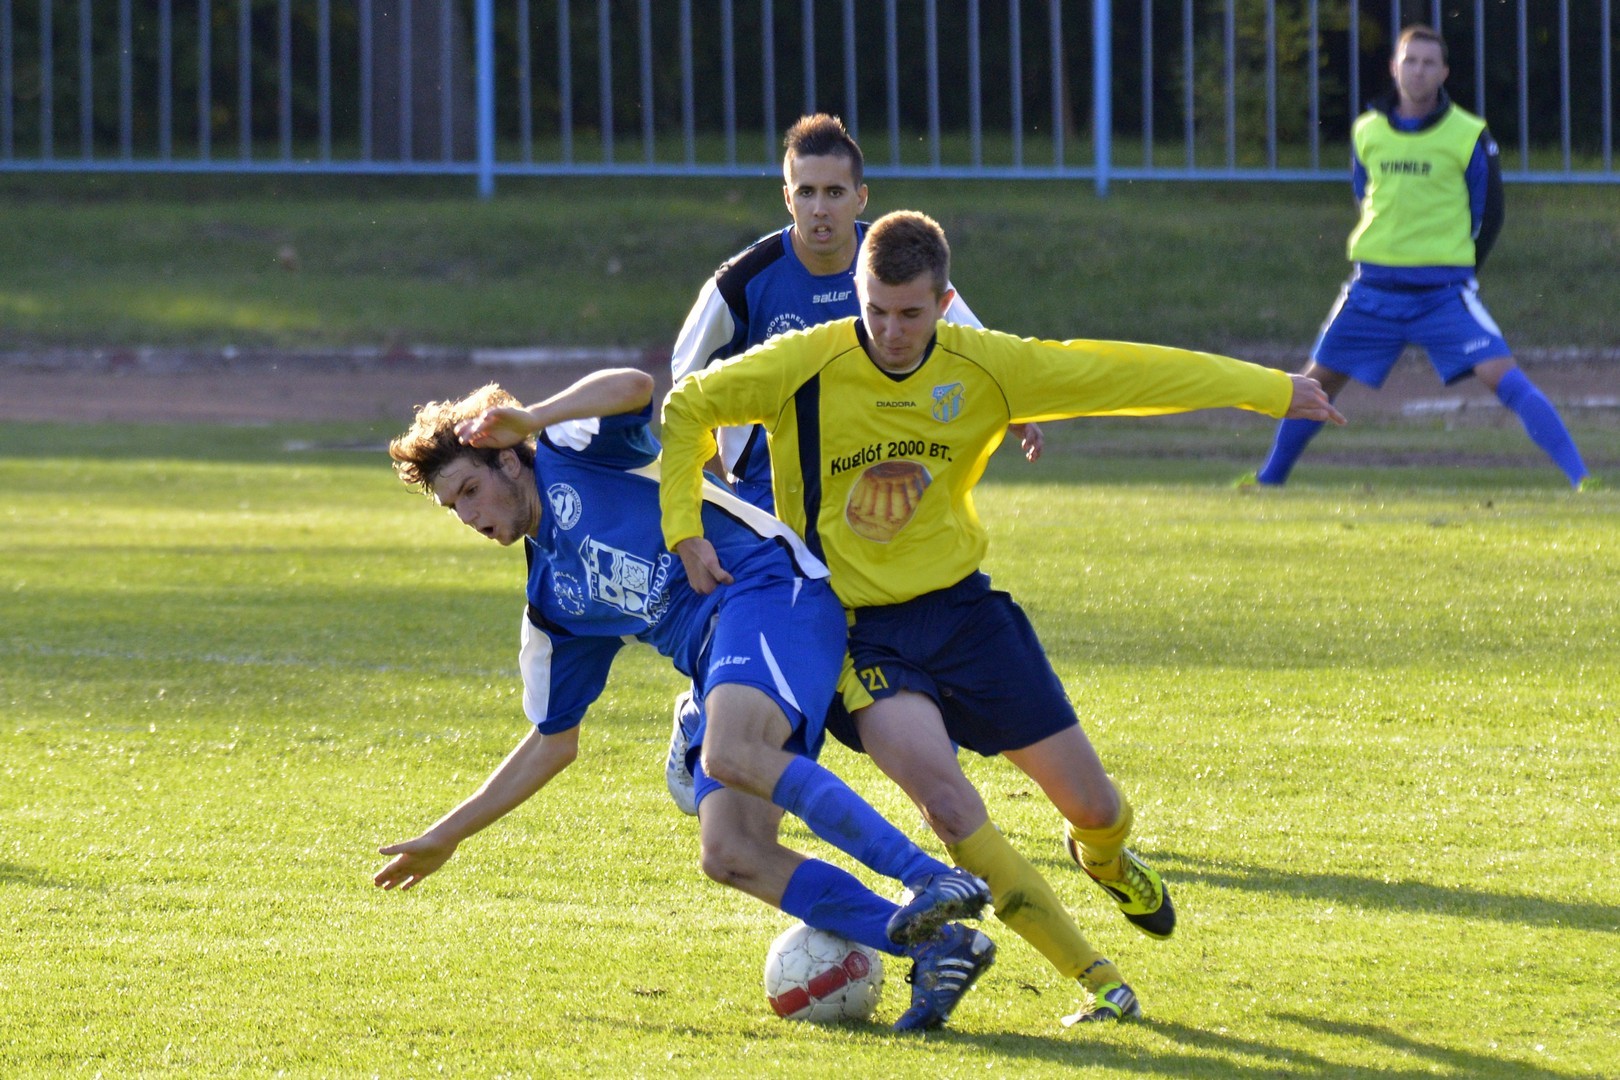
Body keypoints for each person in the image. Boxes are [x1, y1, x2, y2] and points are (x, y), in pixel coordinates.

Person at [659, 210, 1345, 1025]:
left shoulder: (987, 366)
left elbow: (1121, 374)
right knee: (949, 808)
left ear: (943, 302)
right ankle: (1098, 981)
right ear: (858, 294)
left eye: (910, 314)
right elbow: (686, 406)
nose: (890, 332)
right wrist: (685, 527)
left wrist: (1272, 391)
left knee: (1094, 807)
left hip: (963, 615)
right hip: (856, 632)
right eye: (875, 310)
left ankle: (1105, 857)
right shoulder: (806, 361)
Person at [373, 368, 996, 1033]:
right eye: (454, 507)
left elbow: (635, 386)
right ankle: (938, 945)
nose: (470, 516)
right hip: (722, 662)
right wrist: (448, 835)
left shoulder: (571, 451)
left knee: (729, 752)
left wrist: (533, 418)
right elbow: (552, 742)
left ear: (507, 461)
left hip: (768, 588)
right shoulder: (554, 601)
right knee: (730, 853)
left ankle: (929, 880)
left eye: (471, 490)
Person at [662, 111, 1041, 814]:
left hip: (874, 479)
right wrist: (707, 466)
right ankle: (705, 708)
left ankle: (924, 734)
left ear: (861, 197)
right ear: (786, 197)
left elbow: (973, 346)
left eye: (834, 192)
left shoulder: (891, 265)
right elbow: (686, 382)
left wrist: (1018, 410)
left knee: (904, 607)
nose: (820, 209)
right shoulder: (745, 283)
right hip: (773, 492)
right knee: (781, 615)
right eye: (805, 192)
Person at [1248, 24, 1590, 490]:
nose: (1419, 70)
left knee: (1503, 376)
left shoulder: (1468, 133)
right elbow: (1364, 195)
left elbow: (1490, 214)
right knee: (1312, 386)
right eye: (1410, 60)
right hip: (1373, 290)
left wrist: (1457, 268)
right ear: (1394, 67)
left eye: (1429, 63)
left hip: (1441, 293)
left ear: (1444, 72)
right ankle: (1268, 484)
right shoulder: (1368, 130)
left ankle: (1583, 481)